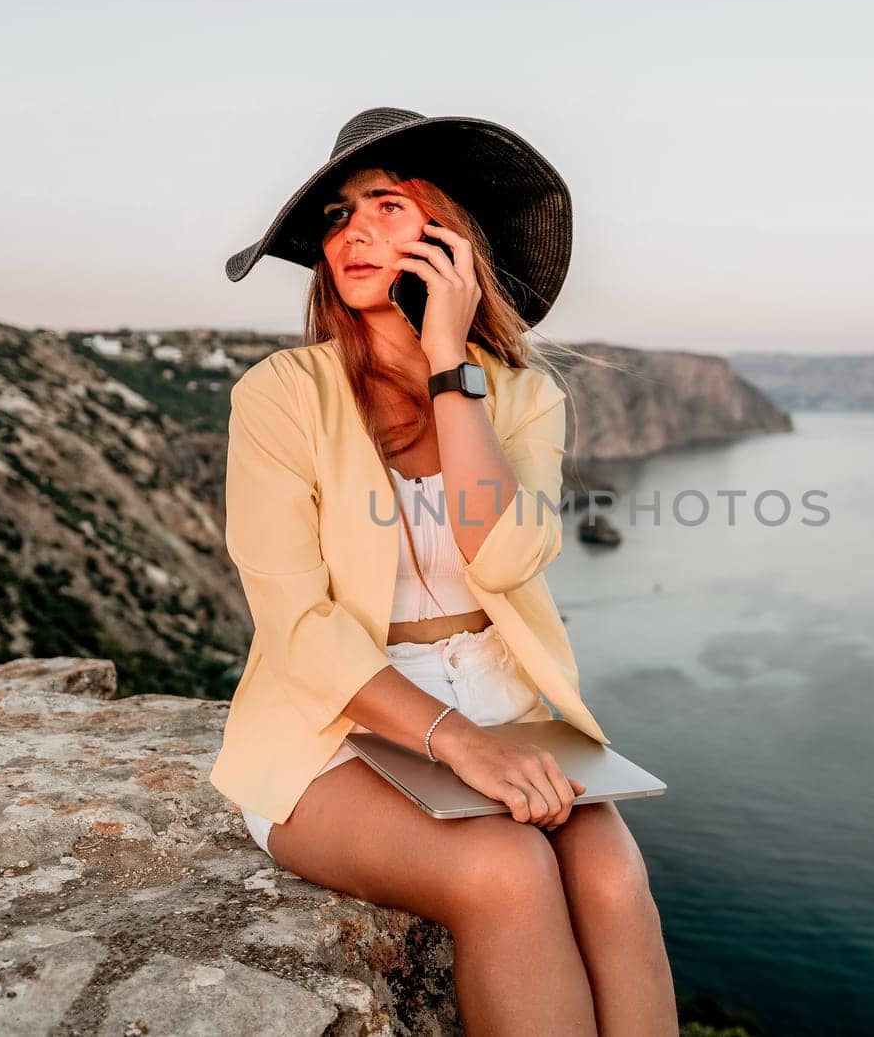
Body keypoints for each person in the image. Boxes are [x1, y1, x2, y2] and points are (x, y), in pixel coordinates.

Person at [209, 107, 676, 1035]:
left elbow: (501, 552)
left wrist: (449, 365)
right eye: (341, 214)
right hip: (337, 722)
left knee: (614, 876)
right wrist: (457, 740)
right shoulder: (280, 395)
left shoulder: (523, 395)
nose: (352, 233)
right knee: (505, 870)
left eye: (387, 205)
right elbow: (297, 625)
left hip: (506, 700)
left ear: (451, 241)